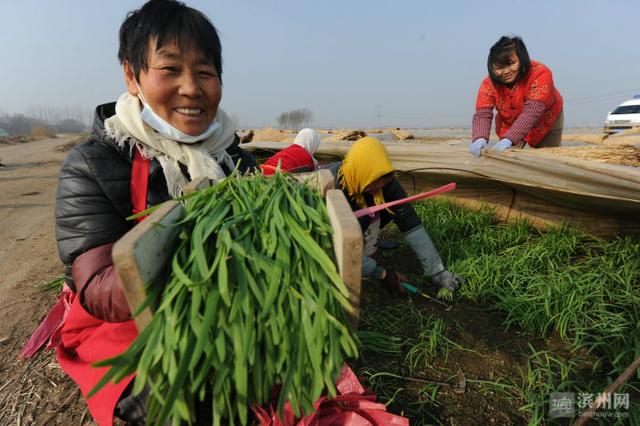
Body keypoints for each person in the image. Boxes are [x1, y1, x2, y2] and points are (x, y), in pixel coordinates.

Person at [52, 1, 255, 424]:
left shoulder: (232, 157)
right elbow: (99, 288)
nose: (191, 88)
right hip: (124, 325)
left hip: (223, 303)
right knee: (185, 397)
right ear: (132, 76)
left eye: (205, 73)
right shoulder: (92, 163)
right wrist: (202, 249)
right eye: (170, 70)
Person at [325, 137, 463, 293]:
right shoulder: (333, 186)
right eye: (373, 181)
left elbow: (409, 222)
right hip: (333, 234)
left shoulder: (387, 183)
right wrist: (382, 274)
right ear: (361, 172)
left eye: (382, 181)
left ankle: (365, 249)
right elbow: (336, 243)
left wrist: (437, 271)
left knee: (383, 217)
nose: (378, 187)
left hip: (363, 224)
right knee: (340, 264)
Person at [469, 36, 564, 157]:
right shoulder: (488, 84)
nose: (506, 71)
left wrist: (509, 139)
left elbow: (532, 112)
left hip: (546, 119)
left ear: (522, 58)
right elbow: (483, 114)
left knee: (548, 159)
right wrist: (479, 137)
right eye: (499, 67)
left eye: (511, 64)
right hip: (510, 124)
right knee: (505, 159)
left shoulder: (540, 73)